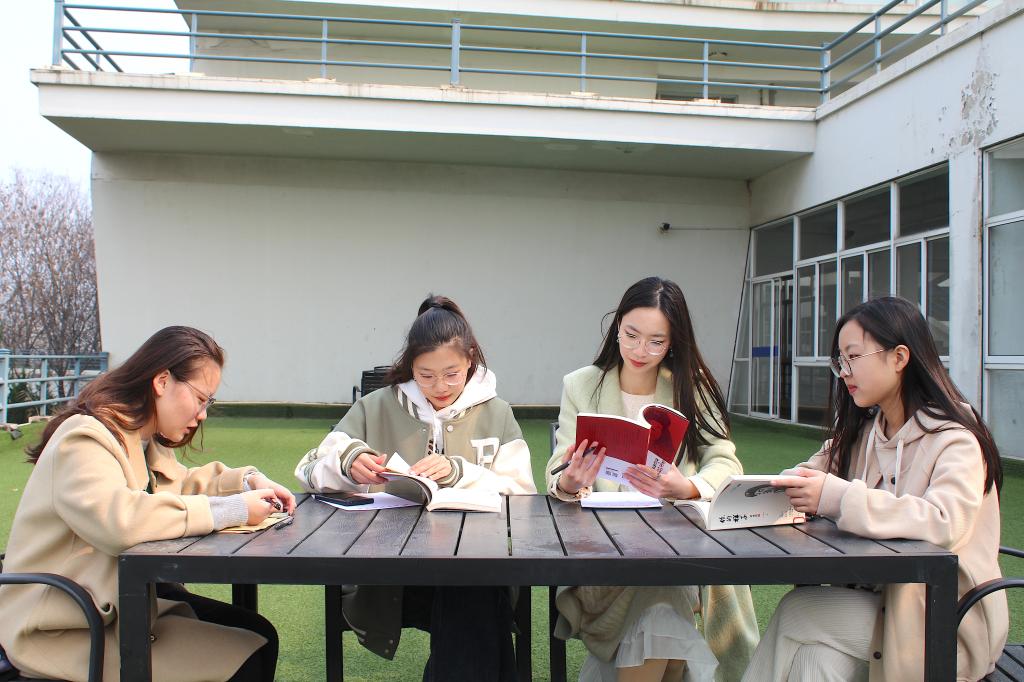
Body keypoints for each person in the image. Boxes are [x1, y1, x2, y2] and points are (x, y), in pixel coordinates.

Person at [0, 326, 294, 682]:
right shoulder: (84, 436)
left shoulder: (139, 437)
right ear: (162, 381)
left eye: (208, 403)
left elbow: (181, 485)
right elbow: (119, 521)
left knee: (259, 633)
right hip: (60, 627)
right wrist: (234, 509)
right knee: (249, 653)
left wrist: (247, 481)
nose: (203, 414)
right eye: (201, 399)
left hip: (113, 606)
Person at [743, 296, 1008, 681]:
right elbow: (805, 476)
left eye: (853, 357)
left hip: (941, 622)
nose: (844, 372)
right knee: (815, 661)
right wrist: (748, 492)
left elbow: (944, 521)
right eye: (840, 360)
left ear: (899, 358)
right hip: (879, 607)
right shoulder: (865, 431)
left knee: (798, 610)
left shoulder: (955, 439)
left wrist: (836, 497)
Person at [294, 294, 536, 681]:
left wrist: (460, 472)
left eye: (452, 374)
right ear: (410, 367)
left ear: (470, 359)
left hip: (474, 564)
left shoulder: (496, 412)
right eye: (426, 375)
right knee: (475, 600)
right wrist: (348, 462)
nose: (439, 386)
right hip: (390, 576)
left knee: (469, 587)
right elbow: (307, 470)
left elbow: (522, 493)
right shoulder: (376, 406)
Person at [546, 276, 759, 682]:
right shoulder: (581, 384)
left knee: (664, 593)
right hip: (607, 556)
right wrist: (571, 480)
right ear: (617, 327)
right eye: (631, 335)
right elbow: (559, 467)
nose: (640, 351)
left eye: (656, 342)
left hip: (679, 551)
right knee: (664, 604)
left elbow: (725, 461)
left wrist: (687, 487)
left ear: (674, 342)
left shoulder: (691, 387)